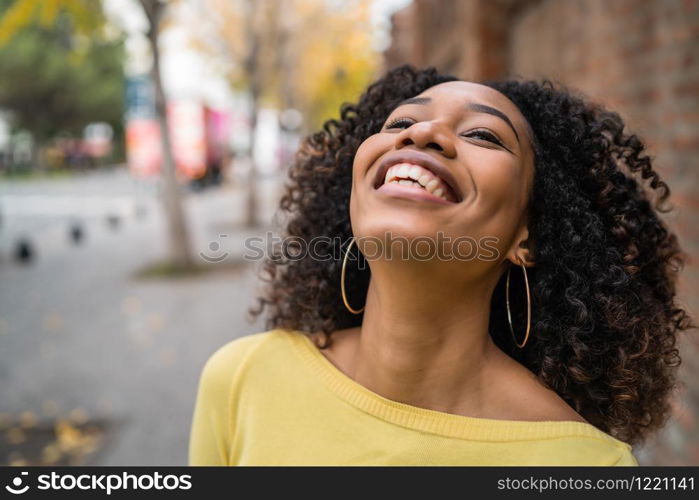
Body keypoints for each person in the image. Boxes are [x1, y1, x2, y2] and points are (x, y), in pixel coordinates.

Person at [188, 65, 694, 466]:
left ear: (528, 238)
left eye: (484, 135)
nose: (424, 133)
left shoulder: (587, 469)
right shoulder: (241, 380)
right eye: (402, 123)